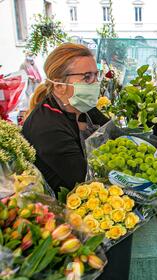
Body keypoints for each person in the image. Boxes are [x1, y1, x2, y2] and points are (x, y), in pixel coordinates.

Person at [22, 43, 108, 194]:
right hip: (65, 206)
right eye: (87, 77)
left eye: (96, 75)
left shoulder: (82, 107)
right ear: (59, 85)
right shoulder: (46, 127)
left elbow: (116, 135)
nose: (96, 84)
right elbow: (83, 180)